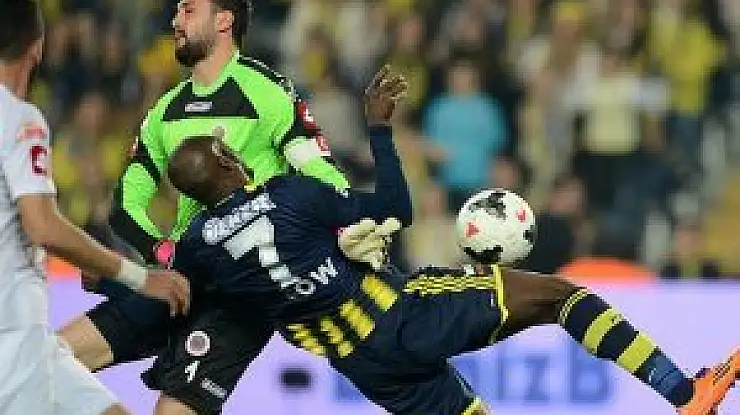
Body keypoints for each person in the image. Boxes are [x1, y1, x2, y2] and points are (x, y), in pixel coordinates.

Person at [163, 81, 738, 414]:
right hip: (402, 315)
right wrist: (379, 130)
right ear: (228, 162)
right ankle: (683, 391)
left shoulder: (198, 248)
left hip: (363, 368)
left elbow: (175, 291)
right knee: (563, 298)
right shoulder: (289, 196)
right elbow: (396, 208)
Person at [57, 0, 364, 413]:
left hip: (241, 293)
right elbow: (125, 206)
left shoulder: (266, 93)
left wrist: (336, 238)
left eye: (188, 10)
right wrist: (161, 254)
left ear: (223, 20)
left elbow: (327, 180)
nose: (175, 21)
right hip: (180, 276)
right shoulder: (165, 111)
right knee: (51, 361)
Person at [0, 0, 190, 414]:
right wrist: (139, 278)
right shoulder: (18, 119)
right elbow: (43, 226)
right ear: (37, 46)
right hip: (12, 335)